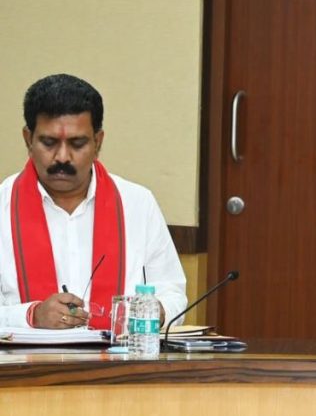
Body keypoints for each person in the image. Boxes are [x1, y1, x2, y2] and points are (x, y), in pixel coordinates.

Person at [0, 74, 187, 329]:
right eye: (49, 143)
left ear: (98, 142)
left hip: (119, 355)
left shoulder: (137, 204)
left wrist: (152, 311)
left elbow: (173, 295)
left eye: (77, 144)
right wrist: (30, 316)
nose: (62, 157)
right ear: (28, 139)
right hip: (23, 356)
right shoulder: (4, 205)